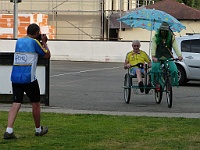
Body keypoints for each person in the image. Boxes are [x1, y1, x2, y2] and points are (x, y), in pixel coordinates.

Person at [3, 23, 51, 139]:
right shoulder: (35, 42)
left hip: (15, 77)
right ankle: (38, 129)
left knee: (16, 103)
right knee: (36, 103)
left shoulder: (19, 41)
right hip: (28, 78)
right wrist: (44, 42)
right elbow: (47, 55)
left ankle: (9, 130)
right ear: (37, 33)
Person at [151, 22, 183, 87]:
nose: (163, 32)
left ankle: (170, 83)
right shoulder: (156, 36)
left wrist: (179, 55)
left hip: (168, 57)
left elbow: (175, 46)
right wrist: (153, 56)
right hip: (158, 57)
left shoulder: (171, 36)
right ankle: (156, 82)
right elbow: (153, 46)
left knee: (174, 69)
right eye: (162, 30)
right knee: (155, 68)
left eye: (165, 30)